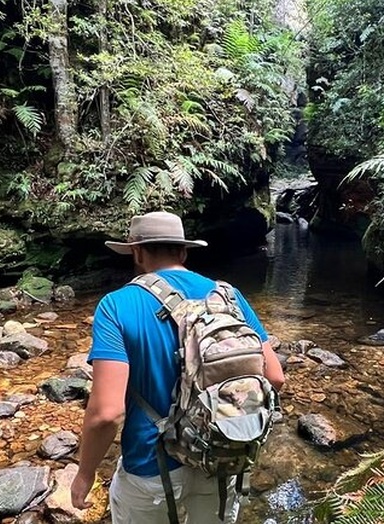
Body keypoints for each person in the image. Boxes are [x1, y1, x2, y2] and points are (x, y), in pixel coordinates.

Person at [71, 210, 285, 523]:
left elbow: (107, 413)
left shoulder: (116, 305)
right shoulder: (230, 297)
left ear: (137, 252)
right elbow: (274, 377)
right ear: (183, 251)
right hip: (222, 455)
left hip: (151, 467)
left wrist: (85, 473)